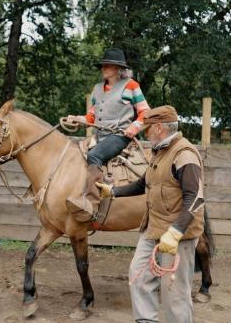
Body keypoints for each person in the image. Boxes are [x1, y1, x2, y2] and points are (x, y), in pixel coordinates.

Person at [96, 105, 205, 323]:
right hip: (152, 228)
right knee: (138, 278)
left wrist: (175, 233)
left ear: (158, 128)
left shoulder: (184, 154)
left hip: (178, 235)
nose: (145, 133)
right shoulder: (160, 152)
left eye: (147, 129)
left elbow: (195, 198)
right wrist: (113, 191)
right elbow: (143, 184)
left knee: (174, 293)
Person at [66, 48, 150, 222]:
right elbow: (91, 116)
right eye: (103, 65)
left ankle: (91, 203)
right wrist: (77, 119)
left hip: (119, 136)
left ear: (118, 68)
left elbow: (145, 112)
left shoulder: (131, 86)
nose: (103, 67)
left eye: (108, 65)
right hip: (99, 136)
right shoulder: (97, 88)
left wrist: (134, 128)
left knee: (94, 155)